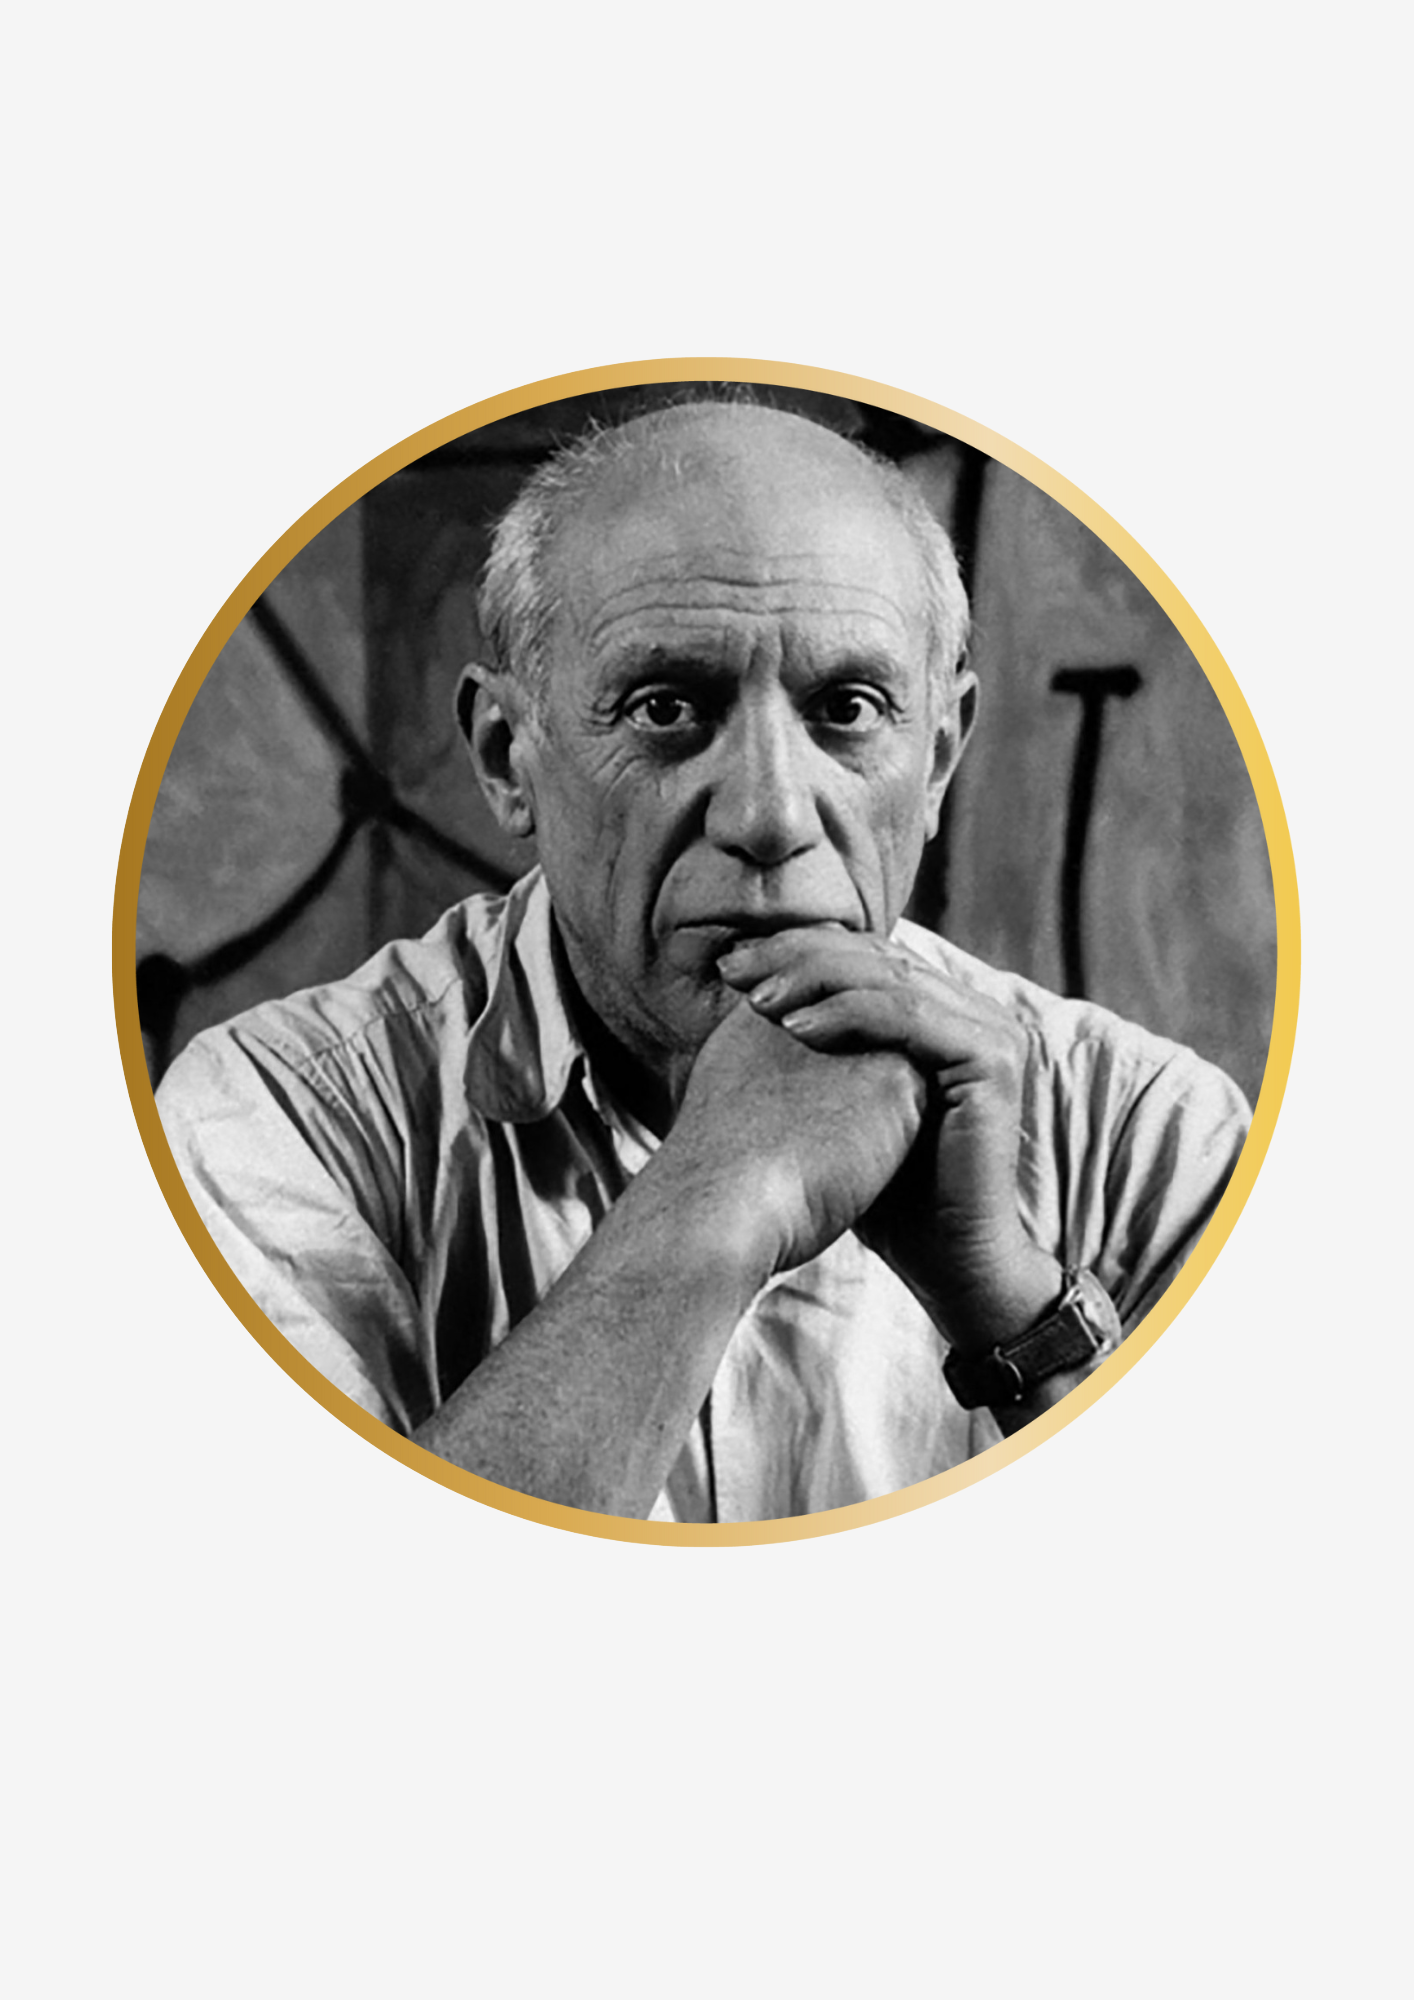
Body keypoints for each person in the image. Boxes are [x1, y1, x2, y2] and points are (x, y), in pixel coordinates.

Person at [158, 399, 1250, 1522]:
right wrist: (722, 1193)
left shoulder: (1144, 1131)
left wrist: (1015, 1309)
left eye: (847, 708)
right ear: (507, 755)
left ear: (936, 757)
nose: (771, 815)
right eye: (666, 707)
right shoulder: (274, 1120)